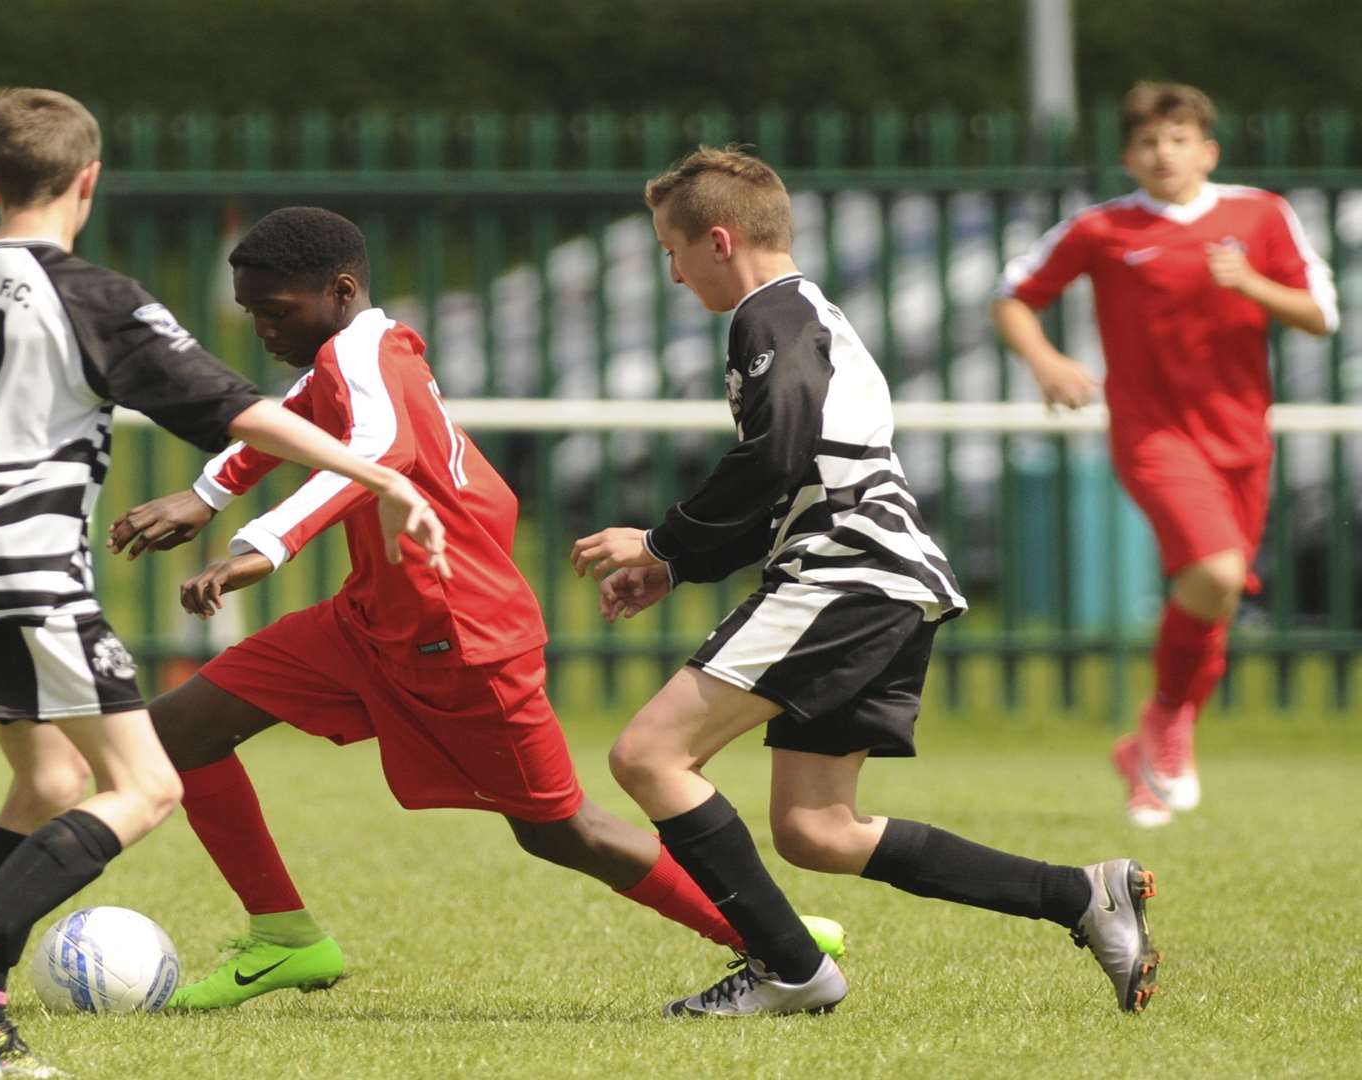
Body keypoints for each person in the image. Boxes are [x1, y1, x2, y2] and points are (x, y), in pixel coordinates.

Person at [106, 205, 846, 1011]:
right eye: (251, 313)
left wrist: (262, 545)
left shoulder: (369, 359)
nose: (261, 329)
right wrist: (208, 492)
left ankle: (775, 941)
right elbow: (293, 418)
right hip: (368, 621)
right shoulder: (355, 352)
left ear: (341, 290)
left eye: (275, 312)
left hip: (456, 634)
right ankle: (285, 938)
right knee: (178, 732)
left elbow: (374, 451)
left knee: (561, 829)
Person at [0, 89, 447, 1080]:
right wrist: (379, 472)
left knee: (47, 782)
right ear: (88, 182)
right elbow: (233, 406)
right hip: (29, 564)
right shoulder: (92, 295)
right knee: (146, 784)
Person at [572, 146, 1160, 1018]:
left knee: (648, 756)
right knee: (817, 831)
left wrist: (660, 540)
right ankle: (1080, 896)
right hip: (885, 576)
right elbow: (801, 467)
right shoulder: (807, 313)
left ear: (721, 241)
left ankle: (791, 971)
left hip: (846, 575)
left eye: (673, 250)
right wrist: (679, 564)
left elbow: (775, 454)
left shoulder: (768, 316)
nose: (673, 273)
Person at [992, 81, 1338, 827]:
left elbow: (1321, 315)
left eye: (1178, 139)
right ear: (1128, 156)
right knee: (1213, 574)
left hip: (1242, 441)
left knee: (1215, 599)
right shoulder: (1101, 228)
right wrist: (1047, 362)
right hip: (1153, 437)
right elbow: (1013, 294)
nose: (1163, 153)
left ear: (1207, 150)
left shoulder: (1261, 215)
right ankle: (1167, 727)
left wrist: (1250, 282)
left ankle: (1151, 741)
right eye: (1148, 142)